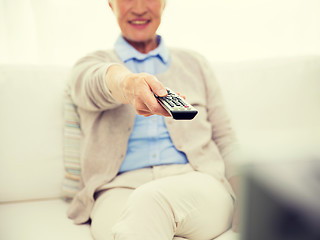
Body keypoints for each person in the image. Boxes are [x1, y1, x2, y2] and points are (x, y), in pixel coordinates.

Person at [66, 0, 241, 239]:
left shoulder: (195, 64)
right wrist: (128, 85)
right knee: (142, 209)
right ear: (110, 3)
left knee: (149, 201)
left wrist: (246, 195)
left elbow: (225, 138)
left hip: (197, 182)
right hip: (119, 190)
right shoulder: (90, 64)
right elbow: (95, 83)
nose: (139, 8)